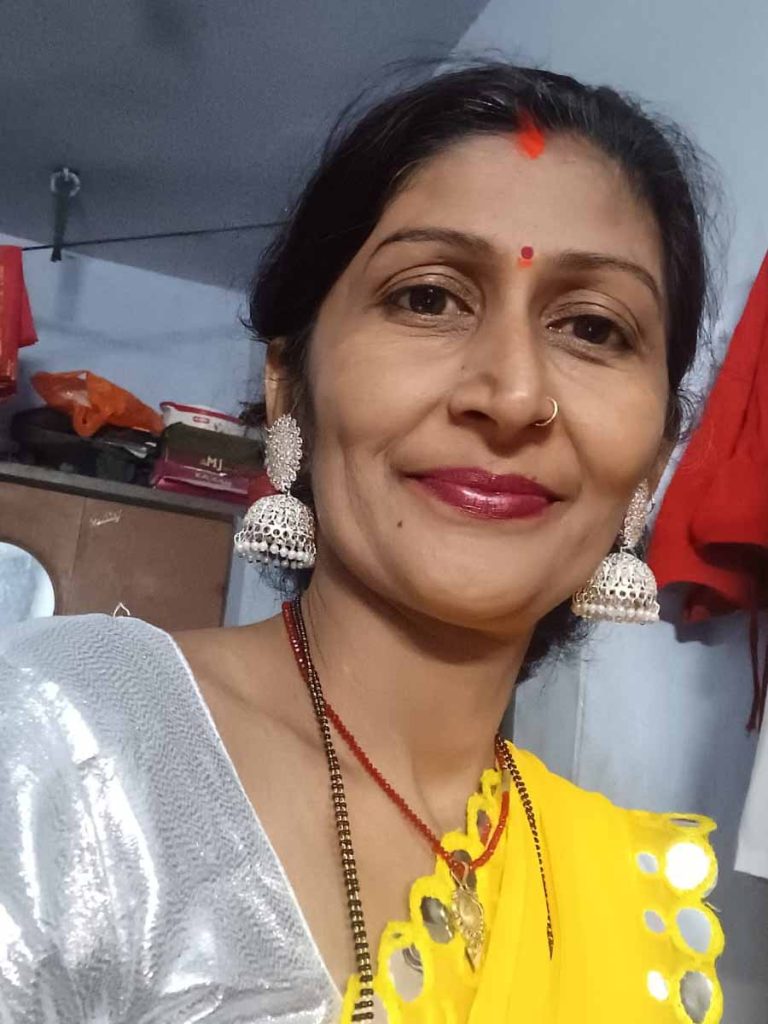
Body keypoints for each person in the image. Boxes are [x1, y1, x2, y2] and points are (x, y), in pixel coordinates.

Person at [0, 63, 723, 1024]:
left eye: (593, 326)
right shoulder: (61, 747)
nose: (513, 395)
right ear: (291, 385)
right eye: (429, 298)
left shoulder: (631, 898)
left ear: (654, 460)